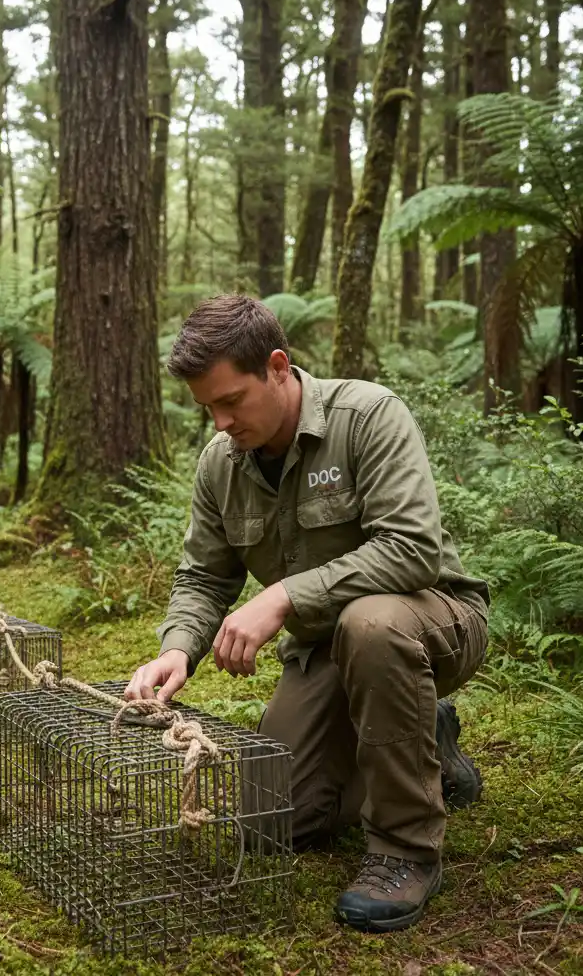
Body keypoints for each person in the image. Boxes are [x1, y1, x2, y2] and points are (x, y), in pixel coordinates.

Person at [125, 294, 489, 934]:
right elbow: (205, 575)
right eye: (207, 406)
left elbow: (410, 549)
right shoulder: (221, 463)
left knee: (370, 625)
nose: (219, 422)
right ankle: (422, 736)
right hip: (326, 649)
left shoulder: (369, 415)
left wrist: (284, 596)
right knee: (272, 823)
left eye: (231, 401)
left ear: (277, 366)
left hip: (433, 621)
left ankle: (405, 850)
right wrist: (178, 648)